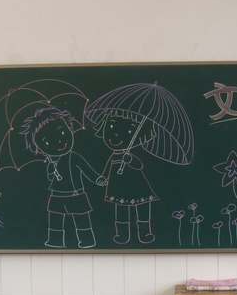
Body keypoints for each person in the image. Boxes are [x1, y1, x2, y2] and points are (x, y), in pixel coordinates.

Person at [20, 106, 104, 248]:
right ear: (38, 147)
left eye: (62, 132)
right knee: (55, 219)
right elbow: (50, 177)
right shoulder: (51, 162)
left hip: (76, 194)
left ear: (70, 129)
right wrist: (51, 169)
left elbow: (86, 169)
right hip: (57, 195)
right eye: (47, 142)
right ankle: (55, 240)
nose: (58, 141)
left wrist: (97, 179)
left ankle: (87, 240)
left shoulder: (74, 157)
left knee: (81, 218)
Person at [93, 109, 158, 244]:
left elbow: (139, 165)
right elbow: (108, 170)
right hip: (118, 189)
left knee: (142, 209)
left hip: (137, 187)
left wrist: (130, 160)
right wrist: (103, 178)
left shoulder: (130, 154)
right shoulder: (114, 155)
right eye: (111, 126)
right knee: (121, 211)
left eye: (129, 131)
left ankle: (145, 233)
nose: (116, 134)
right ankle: (122, 234)